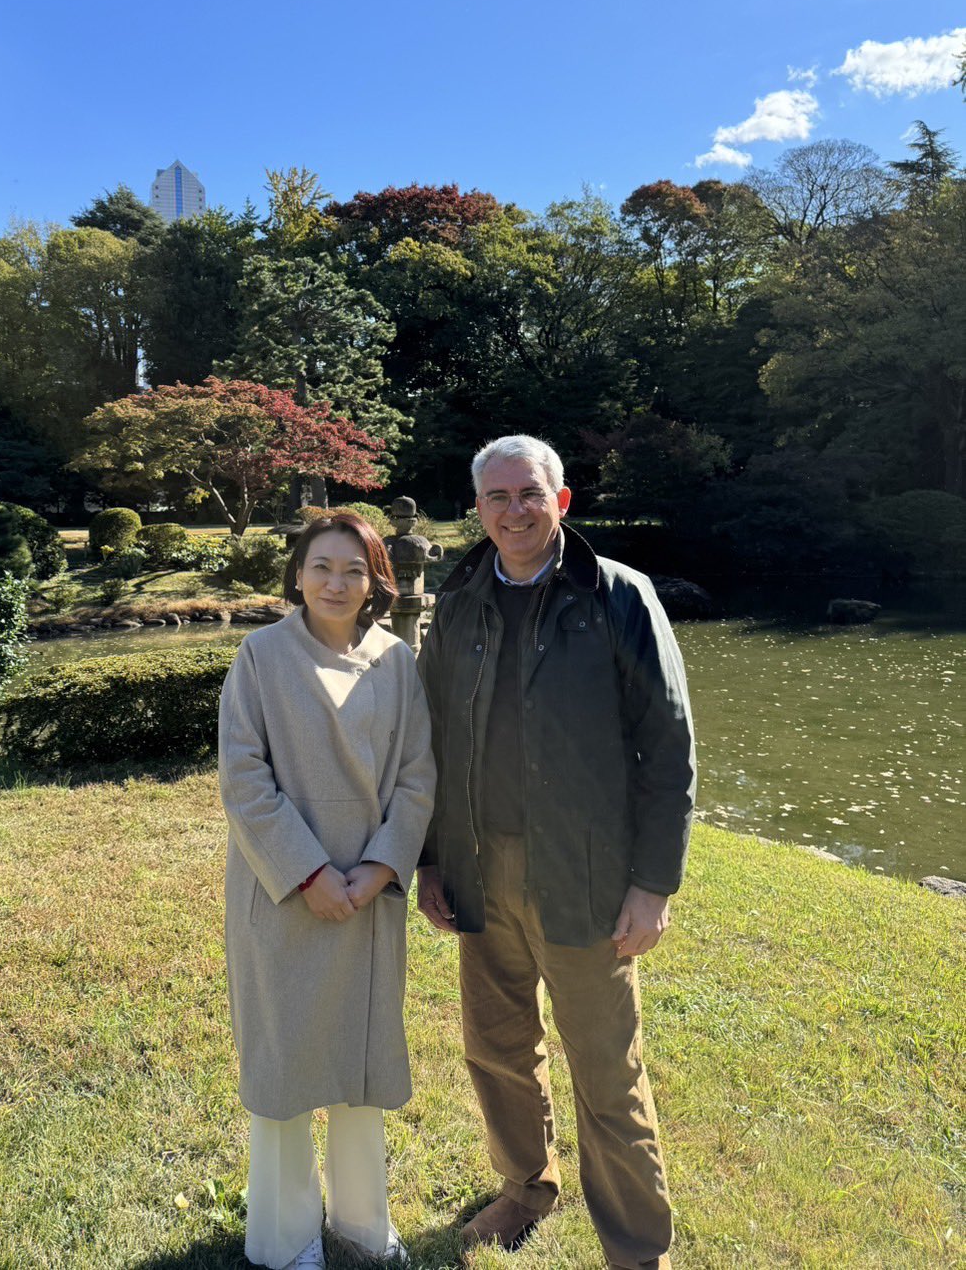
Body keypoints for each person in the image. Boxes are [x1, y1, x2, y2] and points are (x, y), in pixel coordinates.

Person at [417, 435, 695, 1270]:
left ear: (561, 501)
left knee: (606, 1074)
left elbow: (669, 745)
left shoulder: (618, 596)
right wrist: (432, 860)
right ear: (478, 509)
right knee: (497, 1047)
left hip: (585, 874)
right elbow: (431, 740)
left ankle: (638, 1250)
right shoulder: (460, 600)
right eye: (497, 497)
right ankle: (525, 1187)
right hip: (478, 866)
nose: (514, 510)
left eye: (530, 494)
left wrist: (652, 882)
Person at [218, 512, 436, 1270]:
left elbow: (416, 776)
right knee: (283, 1069)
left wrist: (380, 866)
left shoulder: (398, 661)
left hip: (368, 893)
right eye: (321, 566)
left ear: (378, 579)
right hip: (282, 893)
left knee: (359, 1064)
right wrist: (307, 872)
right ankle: (285, 1238)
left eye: (353, 569)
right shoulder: (261, 655)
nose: (336, 583)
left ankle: (362, 1222)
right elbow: (244, 779)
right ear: (297, 574)